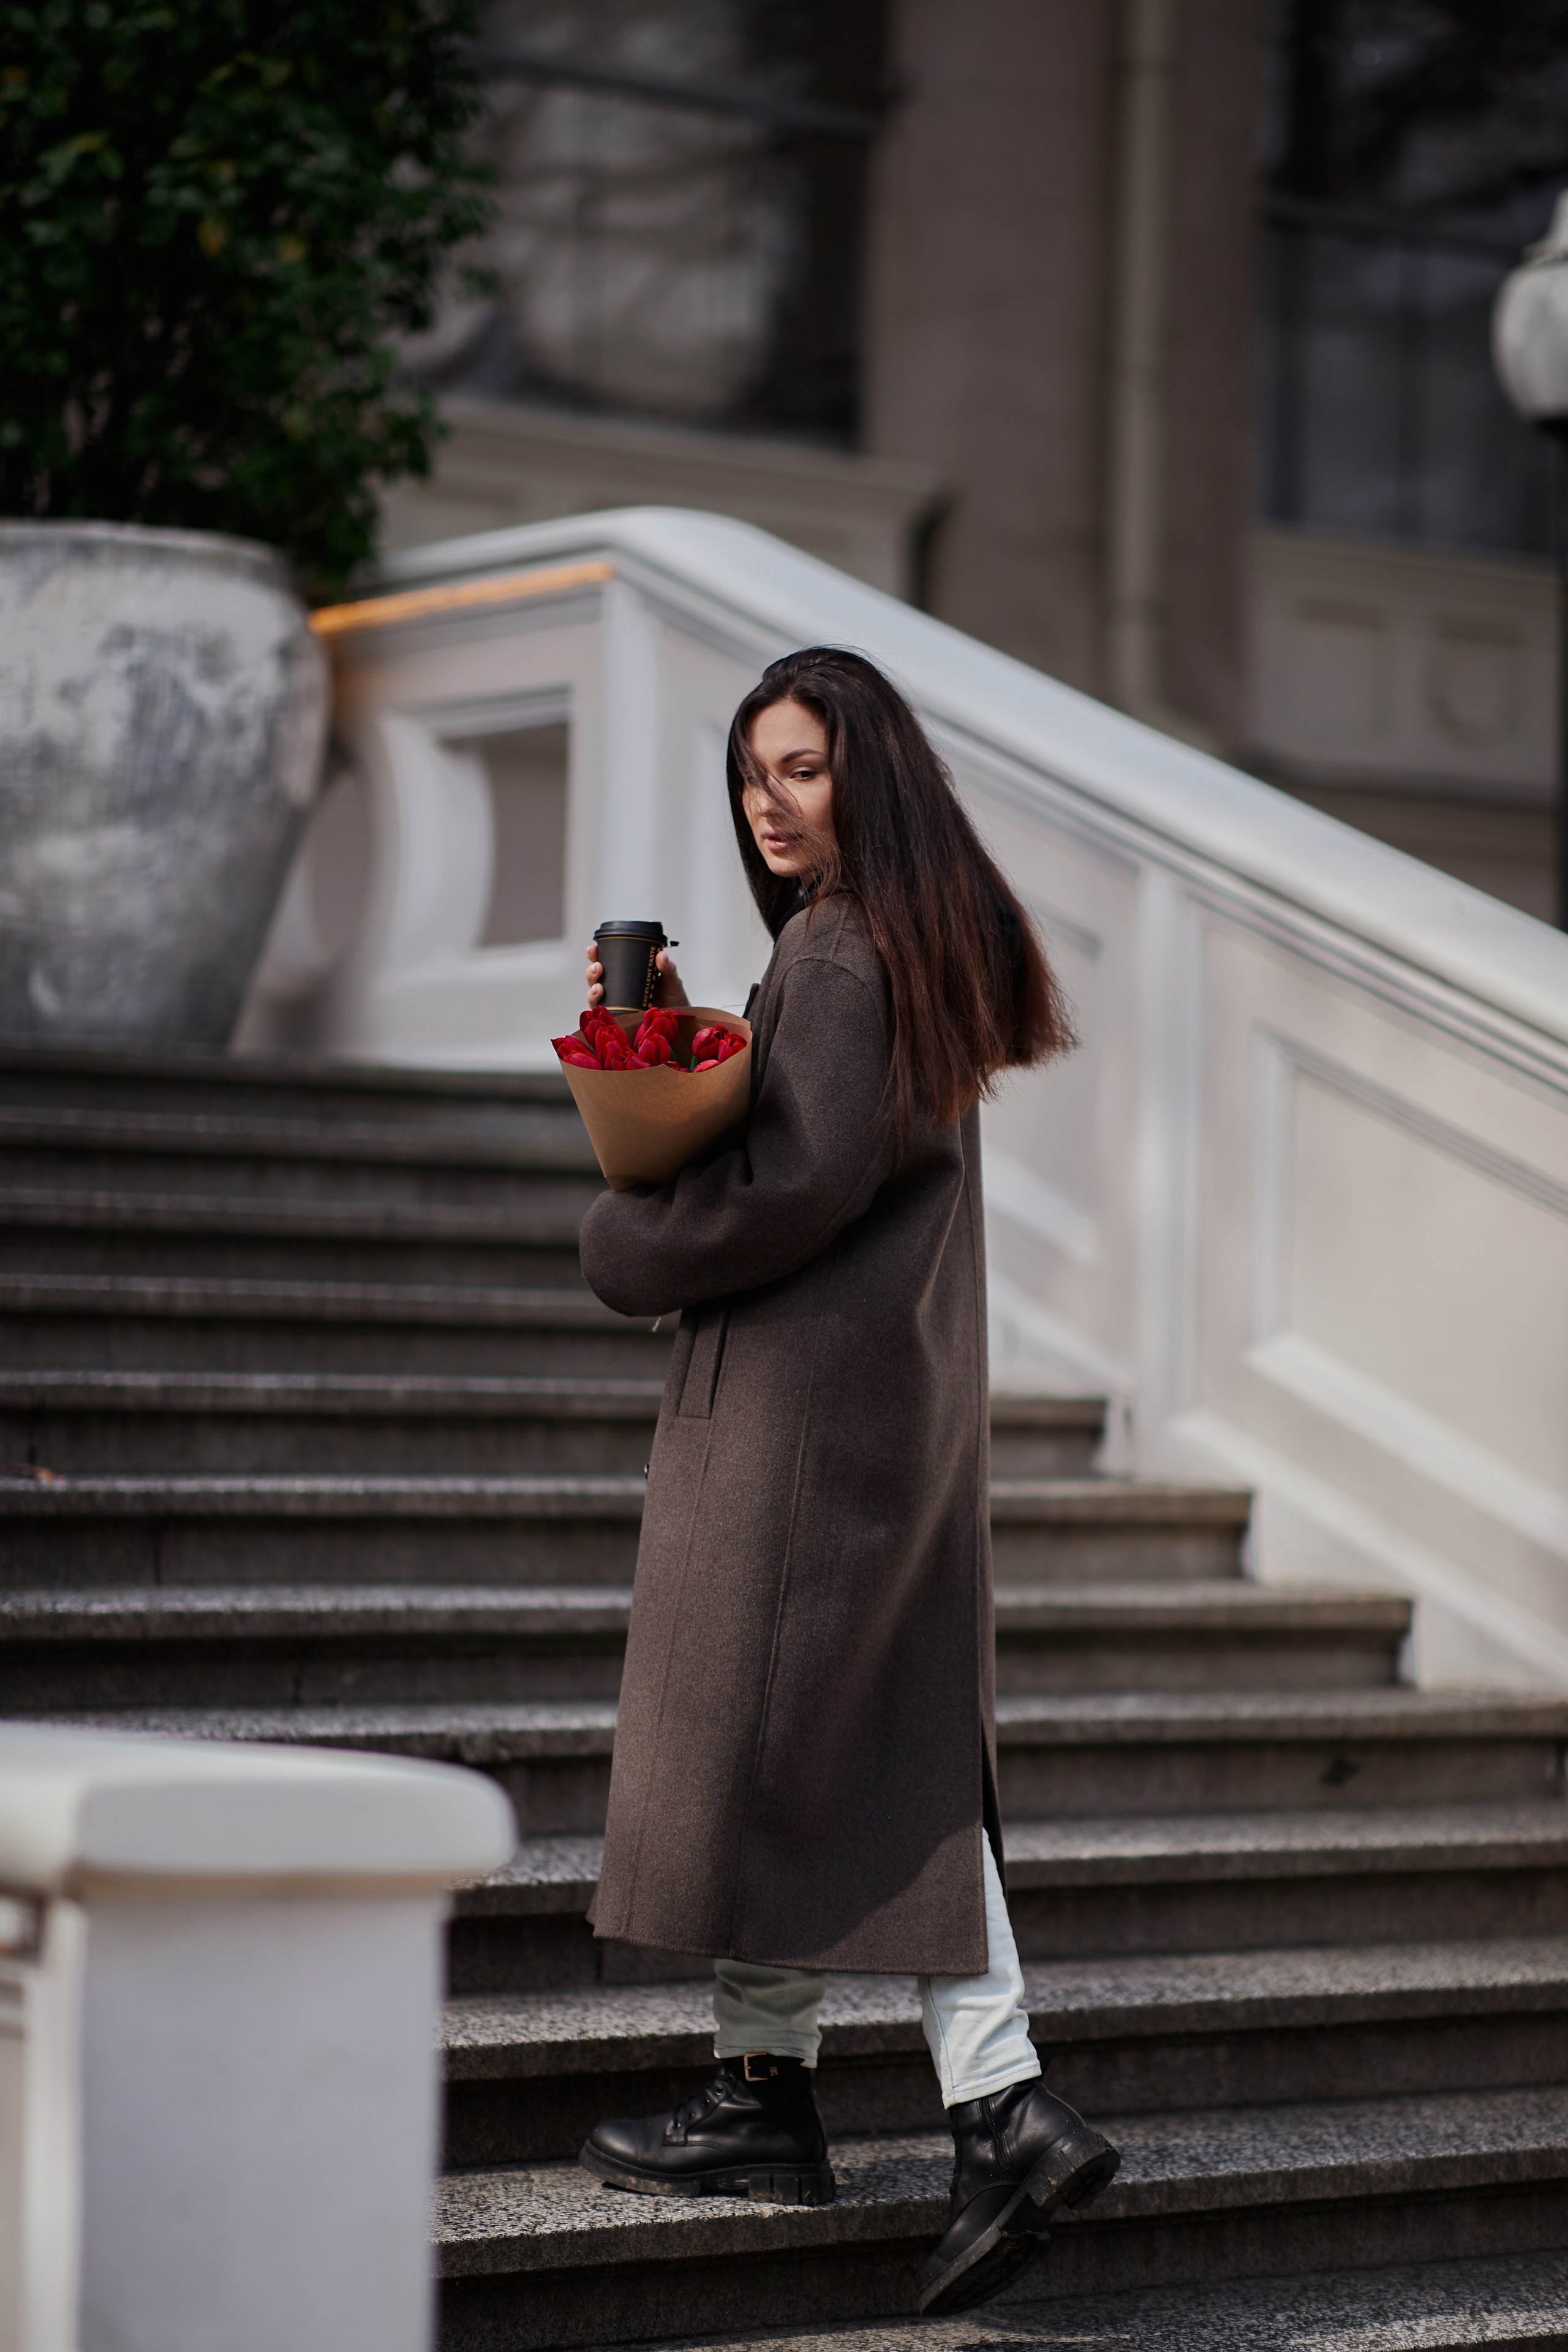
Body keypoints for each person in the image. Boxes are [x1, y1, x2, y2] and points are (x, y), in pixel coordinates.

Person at [573, 647, 1120, 2317]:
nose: (771, 801)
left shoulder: (837, 949)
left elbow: (796, 1179)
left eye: (800, 768)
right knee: (815, 1750)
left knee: (809, 1748)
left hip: (806, 1416)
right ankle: (772, 2094)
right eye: (754, 776)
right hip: (884, 1405)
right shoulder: (918, 942)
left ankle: (986, 2106)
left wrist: (630, 1233)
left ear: (864, 773)